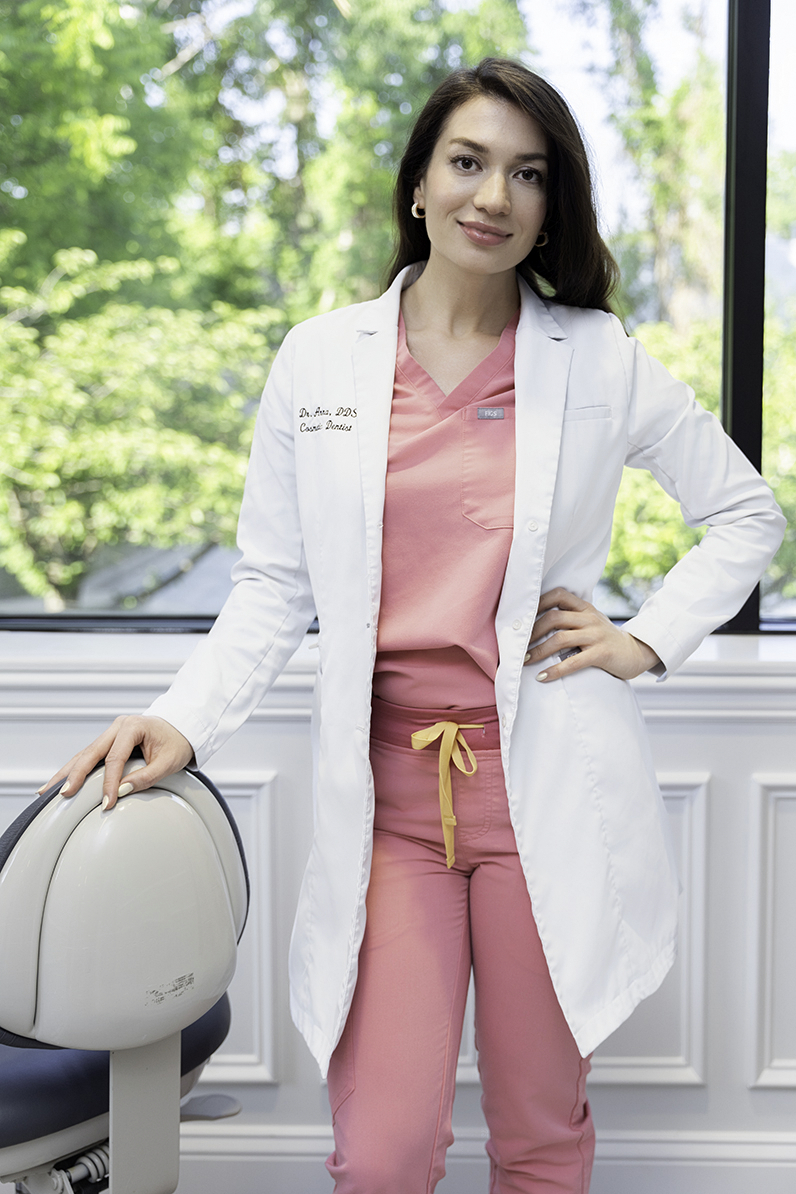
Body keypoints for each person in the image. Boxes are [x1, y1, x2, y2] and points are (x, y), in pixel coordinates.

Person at [44, 58, 784, 1193]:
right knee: (384, 1153)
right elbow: (273, 586)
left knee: (540, 1138)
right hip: (389, 806)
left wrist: (644, 638)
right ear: (419, 185)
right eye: (468, 162)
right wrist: (180, 717)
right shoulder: (321, 361)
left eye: (527, 174)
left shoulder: (594, 356)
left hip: (545, 794)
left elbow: (744, 514)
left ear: (551, 207)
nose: (493, 196)